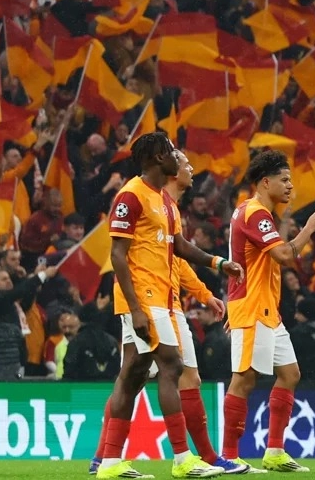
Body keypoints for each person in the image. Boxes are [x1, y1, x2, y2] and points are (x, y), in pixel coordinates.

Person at [96, 133, 243, 480]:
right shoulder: (130, 195)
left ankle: (109, 461)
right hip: (143, 298)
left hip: (162, 297)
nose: (177, 158)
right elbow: (117, 255)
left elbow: (180, 247)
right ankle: (182, 459)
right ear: (157, 157)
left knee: (132, 376)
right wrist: (135, 309)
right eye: (171, 153)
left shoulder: (165, 201)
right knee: (172, 364)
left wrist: (218, 263)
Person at [221, 150, 315, 473]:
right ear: (265, 182)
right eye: (284, 179)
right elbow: (283, 255)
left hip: (265, 309)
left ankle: (275, 451)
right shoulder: (255, 213)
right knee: (244, 380)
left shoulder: (255, 212)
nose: (290, 185)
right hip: (253, 307)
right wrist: (309, 228)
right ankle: (229, 456)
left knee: (290, 374)